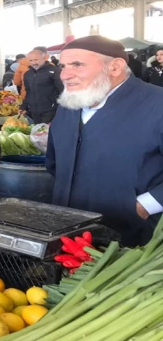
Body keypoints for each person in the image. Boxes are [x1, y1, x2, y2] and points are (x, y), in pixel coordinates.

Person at [47, 35, 163, 246]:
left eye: (77, 65)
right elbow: (54, 162)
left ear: (116, 67)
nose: (65, 75)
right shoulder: (68, 106)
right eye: (63, 66)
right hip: (69, 234)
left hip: (137, 238)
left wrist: (146, 204)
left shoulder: (157, 104)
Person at [19, 48, 63, 123]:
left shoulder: (55, 71)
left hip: (51, 110)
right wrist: (24, 107)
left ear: (44, 58)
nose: (33, 63)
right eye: (31, 61)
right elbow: (28, 92)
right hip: (34, 111)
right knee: (37, 132)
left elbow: (63, 90)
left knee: (48, 132)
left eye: (36, 60)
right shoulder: (28, 74)